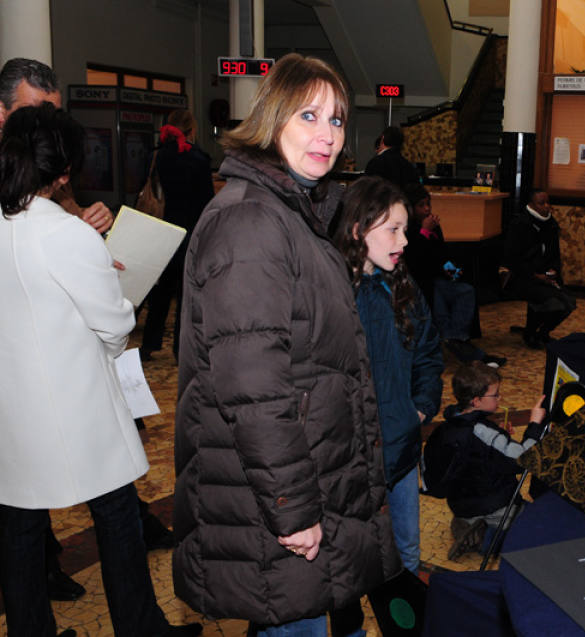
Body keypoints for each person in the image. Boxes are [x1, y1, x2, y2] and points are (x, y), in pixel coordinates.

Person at [173, 54, 400, 637]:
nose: (328, 135)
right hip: (275, 503)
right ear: (273, 118)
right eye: (309, 116)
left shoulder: (290, 211)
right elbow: (254, 390)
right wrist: (292, 509)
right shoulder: (251, 222)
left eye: (337, 119)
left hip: (302, 482)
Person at [0, 103, 201, 637]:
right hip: (77, 403)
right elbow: (114, 326)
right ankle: (141, 628)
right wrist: (107, 278)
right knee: (117, 517)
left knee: (19, 526)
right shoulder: (67, 233)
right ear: (65, 171)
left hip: (13, 406)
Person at [334, 176, 444, 575]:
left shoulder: (402, 286)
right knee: (347, 564)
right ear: (358, 230)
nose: (405, 241)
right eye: (394, 230)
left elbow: (428, 351)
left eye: (405, 229)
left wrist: (420, 408)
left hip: (400, 448)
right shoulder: (329, 292)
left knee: (406, 555)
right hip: (348, 459)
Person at [423, 363, 547, 559]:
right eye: (495, 395)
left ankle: (465, 525)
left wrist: (498, 438)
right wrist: (534, 425)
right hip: (494, 504)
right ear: (476, 401)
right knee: (540, 525)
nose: (500, 398)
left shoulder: (445, 427)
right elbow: (524, 459)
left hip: (461, 504)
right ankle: (485, 539)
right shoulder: (483, 432)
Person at [0, 58, 114, 233]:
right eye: (31, 112)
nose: (48, 124)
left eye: (53, 114)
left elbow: (66, 217)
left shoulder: (52, 162)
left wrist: (94, 219)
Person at [403, 182, 506, 367]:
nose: (427, 209)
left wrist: (453, 271)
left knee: (466, 290)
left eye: (428, 204)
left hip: (437, 278)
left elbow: (441, 255)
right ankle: (462, 347)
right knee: (438, 301)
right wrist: (424, 232)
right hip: (418, 282)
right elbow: (414, 262)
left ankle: (456, 338)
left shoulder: (434, 227)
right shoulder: (406, 229)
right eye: (421, 205)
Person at [140, 109, 214, 361]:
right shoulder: (199, 159)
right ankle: (180, 348)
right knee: (185, 295)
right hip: (190, 231)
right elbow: (207, 201)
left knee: (160, 291)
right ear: (192, 130)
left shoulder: (156, 156)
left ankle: (149, 344)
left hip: (162, 230)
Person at [503, 189, 577, 348]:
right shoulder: (520, 224)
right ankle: (530, 333)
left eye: (548, 202)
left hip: (545, 277)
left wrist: (553, 271)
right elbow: (512, 259)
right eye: (541, 203)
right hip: (522, 277)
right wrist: (535, 275)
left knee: (569, 303)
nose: (546, 206)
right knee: (554, 303)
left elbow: (555, 255)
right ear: (531, 205)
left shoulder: (551, 224)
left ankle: (542, 333)